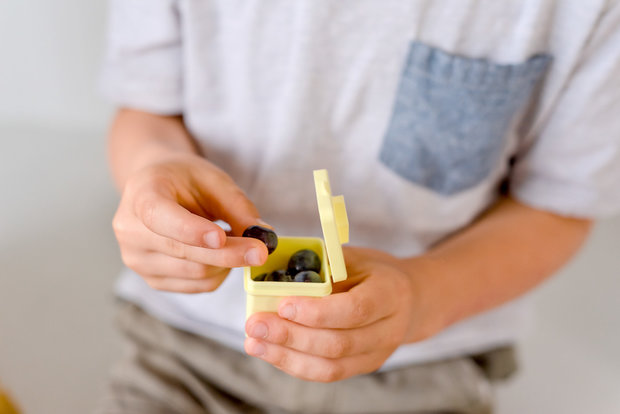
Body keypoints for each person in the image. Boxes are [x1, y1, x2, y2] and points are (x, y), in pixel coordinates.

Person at [97, 1, 620, 413]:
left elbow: (557, 205)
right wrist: (151, 172)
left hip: (420, 369)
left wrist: (421, 295)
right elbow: (146, 112)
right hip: (186, 349)